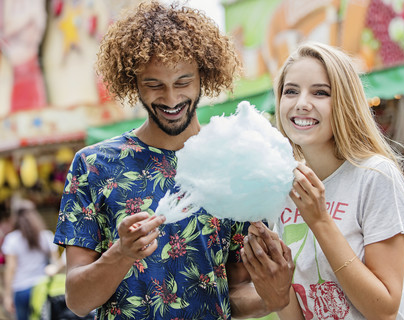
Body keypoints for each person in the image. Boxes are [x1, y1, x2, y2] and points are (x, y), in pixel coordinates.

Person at [53, 1, 293, 319]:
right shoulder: (94, 166)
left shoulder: (233, 161)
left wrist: (272, 297)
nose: (170, 98)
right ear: (132, 82)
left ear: (204, 76)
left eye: (182, 82)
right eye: (154, 85)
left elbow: (234, 291)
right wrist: (121, 254)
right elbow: (78, 300)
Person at [241, 42, 404, 319]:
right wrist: (276, 283)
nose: (301, 103)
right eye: (290, 91)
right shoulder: (282, 188)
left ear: (344, 102)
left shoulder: (375, 176)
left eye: (320, 92)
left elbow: (384, 307)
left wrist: (319, 220)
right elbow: (297, 314)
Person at [2, 198, 59, 320]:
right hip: (42, 287)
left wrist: (7, 296)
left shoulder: (12, 239)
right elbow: (56, 264)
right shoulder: (46, 236)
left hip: (20, 289)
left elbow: (11, 269)